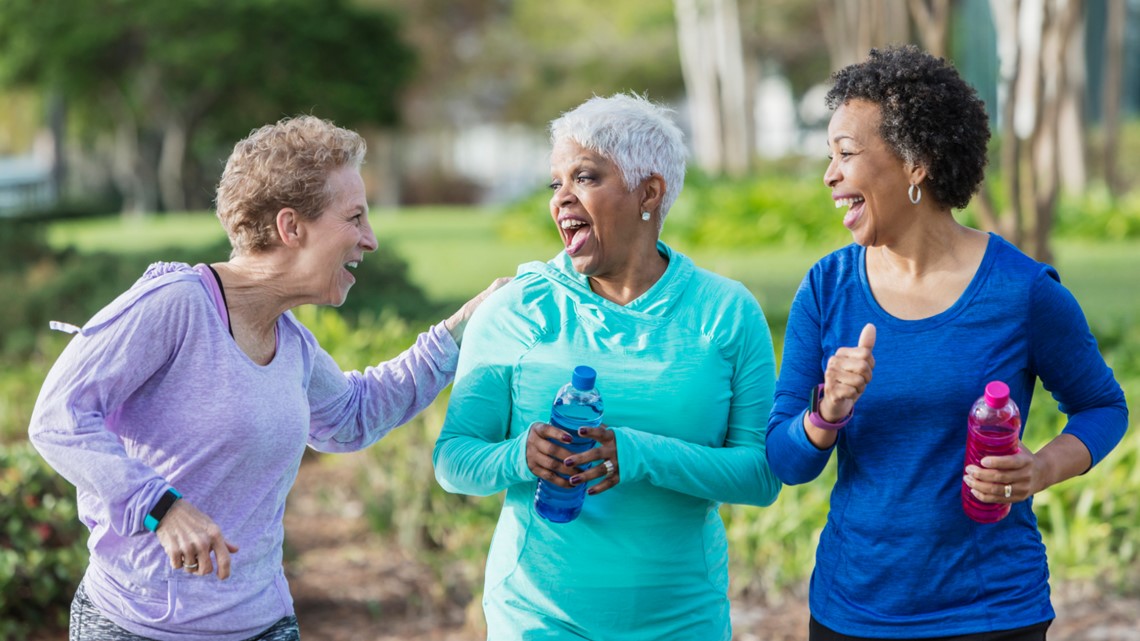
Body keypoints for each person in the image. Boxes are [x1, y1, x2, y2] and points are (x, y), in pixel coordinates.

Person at [28, 115, 505, 641]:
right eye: (355, 218)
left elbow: (349, 417)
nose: (370, 240)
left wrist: (460, 331)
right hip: (140, 624)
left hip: (263, 623)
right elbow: (58, 417)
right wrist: (158, 506)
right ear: (290, 227)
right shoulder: (176, 305)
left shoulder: (291, 341)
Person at [766, 45, 1129, 641]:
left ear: (916, 162)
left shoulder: (1021, 291)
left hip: (991, 612)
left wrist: (1039, 469)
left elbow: (1103, 407)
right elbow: (785, 461)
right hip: (852, 611)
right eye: (828, 156)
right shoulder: (826, 288)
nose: (829, 175)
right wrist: (826, 412)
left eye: (847, 154)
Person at [432, 92, 781, 640]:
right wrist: (519, 456)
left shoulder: (727, 312)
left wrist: (639, 454)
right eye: (556, 183)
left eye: (585, 177)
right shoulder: (518, 307)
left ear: (650, 192)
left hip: (681, 619)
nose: (561, 199)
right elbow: (454, 459)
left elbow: (760, 475)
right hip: (540, 618)